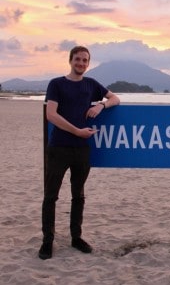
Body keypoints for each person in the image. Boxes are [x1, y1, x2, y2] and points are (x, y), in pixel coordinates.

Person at [39, 46, 120, 259]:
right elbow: (51, 115)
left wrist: (101, 106)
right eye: (78, 59)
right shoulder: (57, 84)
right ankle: (47, 241)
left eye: (85, 60)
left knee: (79, 195)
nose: (81, 63)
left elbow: (115, 99)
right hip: (59, 147)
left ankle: (76, 237)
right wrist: (76, 131)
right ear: (70, 60)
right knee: (50, 196)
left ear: (88, 63)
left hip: (82, 150)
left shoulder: (91, 84)